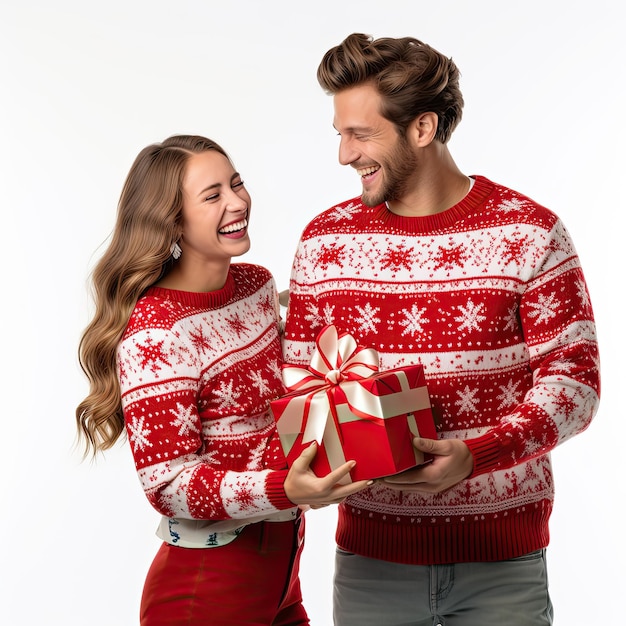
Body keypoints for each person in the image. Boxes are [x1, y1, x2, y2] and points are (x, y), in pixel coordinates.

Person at [282, 34, 600, 626]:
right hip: (371, 567)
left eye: (361, 134)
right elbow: (298, 383)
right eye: (339, 134)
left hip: (503, 565)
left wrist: (477, 455)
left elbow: (575, 386)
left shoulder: (529, 232)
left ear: (422, 128)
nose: (344, 155)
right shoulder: (324, 244)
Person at [75, 134, 370, 626]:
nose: (237, 202)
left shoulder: (256, 286)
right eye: (212, 196)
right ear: (171, 221)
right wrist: (285, 491)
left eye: (236, 184)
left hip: (283, 571)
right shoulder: (157, 336)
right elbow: (167, 483)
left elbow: (297, 390)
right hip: (207, 584)